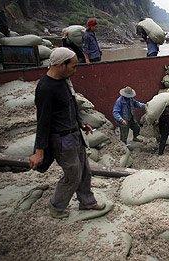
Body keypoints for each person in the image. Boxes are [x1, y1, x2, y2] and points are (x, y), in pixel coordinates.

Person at [29, 47, 105, 219]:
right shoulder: (46, 88)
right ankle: (56, 206)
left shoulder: (64, 81)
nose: (75, 70)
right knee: (73, 175)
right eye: (73, 66)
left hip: (74, 134)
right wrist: (39, 151)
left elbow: (71, 106)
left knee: (85, 170)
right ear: (62, 65)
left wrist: (81, 124)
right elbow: (42, 121)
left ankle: (87, 202)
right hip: (62, 140)